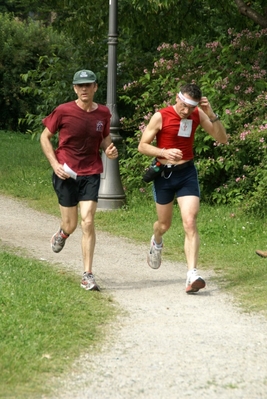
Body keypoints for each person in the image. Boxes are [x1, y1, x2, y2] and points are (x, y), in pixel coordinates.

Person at [138, 83, 227, 294]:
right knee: (164, 224)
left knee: (190, 221)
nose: (186, 111)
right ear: (177, 97)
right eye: (184, 105)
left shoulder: (197, 115)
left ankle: (192, 274)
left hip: (187, 173)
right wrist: (164, 152)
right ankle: (157, 241)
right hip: (164, 175)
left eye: (191, 107)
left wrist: (211, 114)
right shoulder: (161, 116)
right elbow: (142, 146)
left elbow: (222, 138)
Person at [40, 69, 118, 291]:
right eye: (80, 86)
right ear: (75, 88)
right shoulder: (63, 111)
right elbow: (44, 137)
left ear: (95, 87)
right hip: (65, 172)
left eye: (88, 85)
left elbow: (105, 138)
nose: (84, 89)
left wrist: (109, 150)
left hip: (91, 171)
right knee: (71, 224)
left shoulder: (103, 113)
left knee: (88, 221)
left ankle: (87, 274)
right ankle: (63, 233)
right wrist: (55, 165)